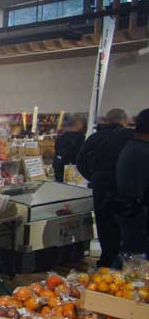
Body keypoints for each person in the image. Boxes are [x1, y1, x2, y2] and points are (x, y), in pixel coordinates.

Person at [77, 108, 134, 267]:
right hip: (123, 191)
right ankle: (124, 264)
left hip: (100, 188)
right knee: (124, 229)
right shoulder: (130, 137)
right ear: (124, 121)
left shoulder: (94, 138)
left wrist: (94, 178)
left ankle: (106, 262)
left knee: (104, 225)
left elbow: (80, 161)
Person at [115, 108, 149, 258]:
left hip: (131, 216)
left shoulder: (130, 148)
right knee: (136, 266)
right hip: (140, 221)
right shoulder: (143, 152)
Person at [53, 114, 87, 182]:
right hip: (79, 177)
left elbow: (58, 158)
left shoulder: (61, 139)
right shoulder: (83, 140)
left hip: (62, 175)